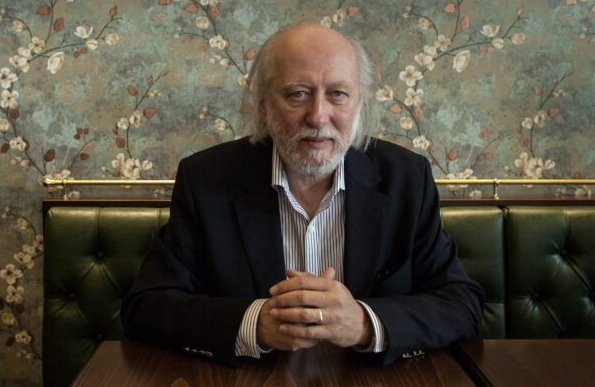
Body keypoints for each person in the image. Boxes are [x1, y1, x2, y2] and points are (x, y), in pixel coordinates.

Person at [121, 23, 484, 366]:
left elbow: (461, 304)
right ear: (264, 107)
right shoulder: (205, 179)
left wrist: (364, 322)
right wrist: (255, 323)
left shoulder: (406, 179)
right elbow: (147, 306)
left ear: (360, 104)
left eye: (337, 94)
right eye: (298, 94)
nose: (318, 116)